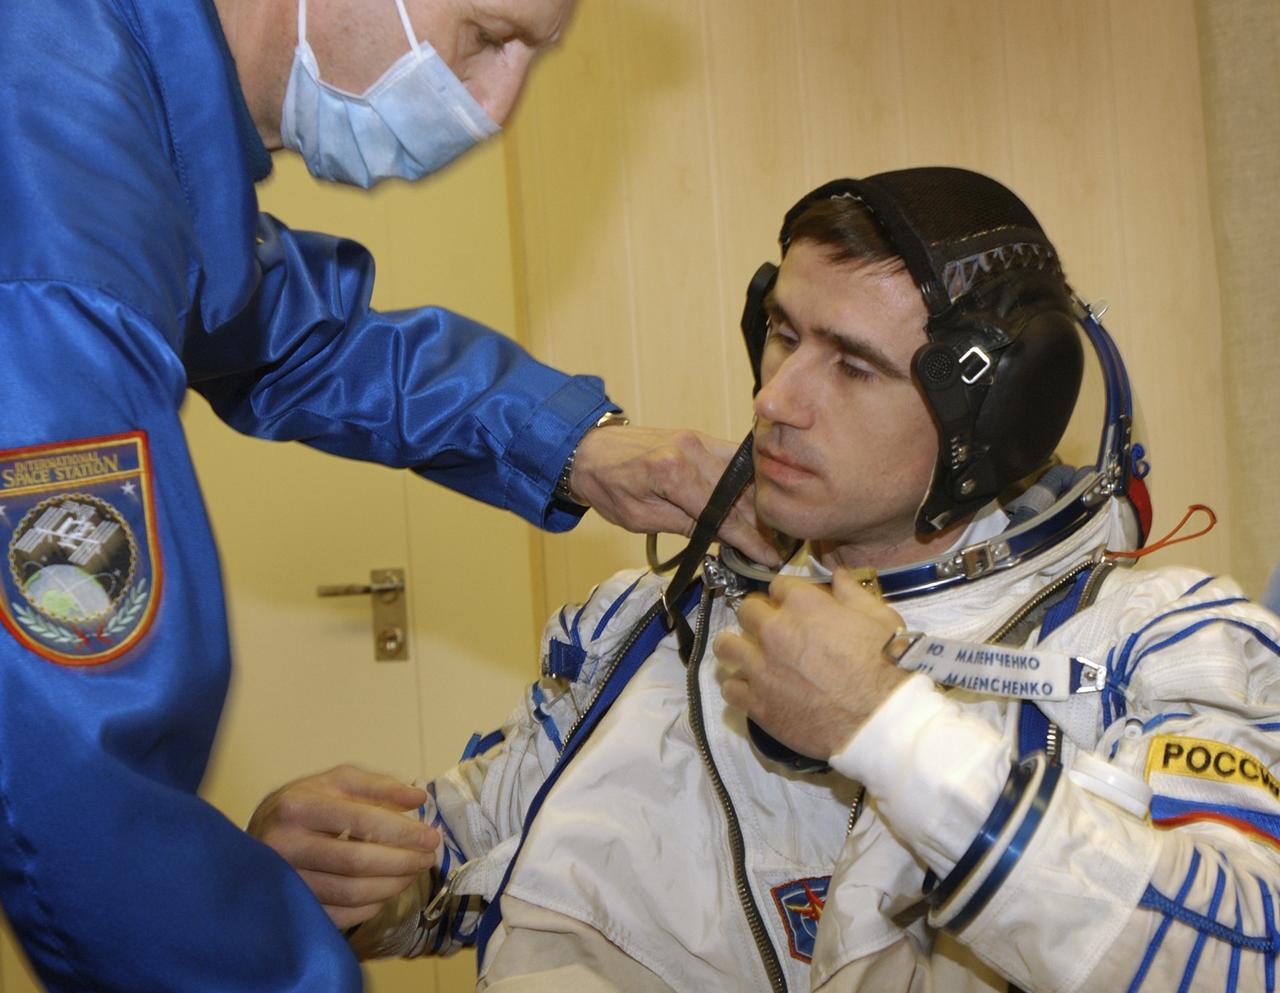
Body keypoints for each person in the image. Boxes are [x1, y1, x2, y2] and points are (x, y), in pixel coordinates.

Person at [250, 168, 1280, 992]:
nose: (774, 397)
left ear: (992, 415)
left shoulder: (1162, 642)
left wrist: (888, 731)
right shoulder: (650, 619)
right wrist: (356, 878)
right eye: (781, 333)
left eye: (851, 364)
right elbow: (482, 863)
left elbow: (1242, 956)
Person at [0, 1, 775, 991]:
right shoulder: (56, 223)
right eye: (487, 35)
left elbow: (281, 325)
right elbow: (79, 781)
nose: (496, 107)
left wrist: (576, 444)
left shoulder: (117, 104)